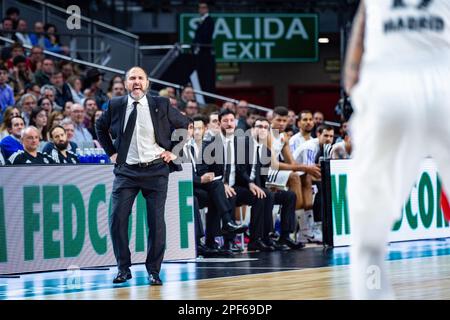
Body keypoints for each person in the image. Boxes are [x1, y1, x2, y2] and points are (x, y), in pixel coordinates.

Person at [344, 0, 450, 299]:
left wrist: (352, 81)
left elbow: (363, 20)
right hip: (443, 74)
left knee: (369, 235)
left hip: (387, 82)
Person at [95, 66, 189, 285]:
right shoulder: (116, 105)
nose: (136, 82)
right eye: (132, 78)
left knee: (156, 223)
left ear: (147, 82)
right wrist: (111, 153)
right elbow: (100, 127)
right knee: (117, 218)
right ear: (126, 83)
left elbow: (185, 125)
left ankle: (154, 271)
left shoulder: (161, 104)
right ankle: (123, 268)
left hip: (156, 170)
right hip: (126, 171)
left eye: (140, 78)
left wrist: (173, 152)